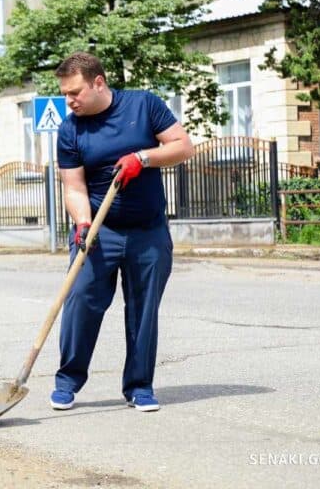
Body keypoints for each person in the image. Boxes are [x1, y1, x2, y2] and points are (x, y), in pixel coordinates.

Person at [51, 52, 194, 413]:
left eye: (74, 92)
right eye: (64, 93)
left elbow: (182, 146)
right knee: (81, 302)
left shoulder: (143, 105)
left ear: (98, 82)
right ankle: (68, 381)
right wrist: (83, 222)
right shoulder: (70, 129)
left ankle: (139, 386)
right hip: (100, 230)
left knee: (143, 309)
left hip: (148, 231)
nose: (69, 101)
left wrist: (142, 158)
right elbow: (73, 187)